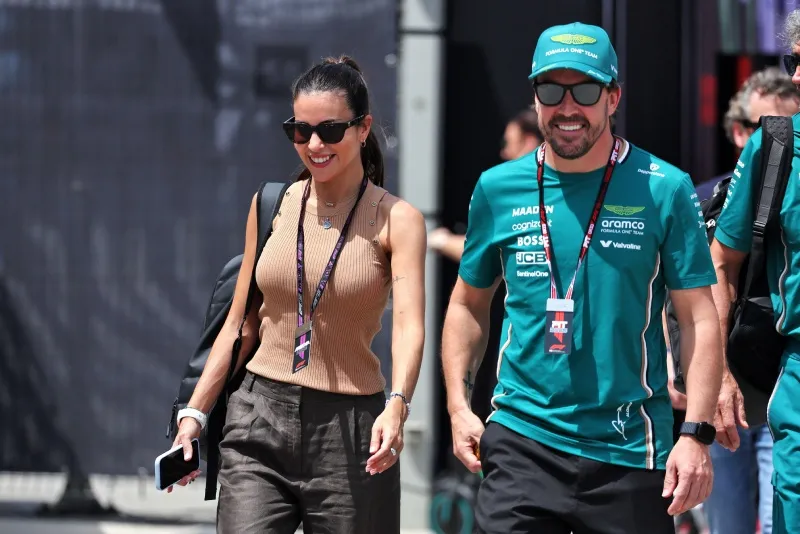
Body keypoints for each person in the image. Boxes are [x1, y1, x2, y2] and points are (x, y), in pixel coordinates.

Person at [440, 22, 724, 533]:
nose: (567, 107)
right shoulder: (497, 188)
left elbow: (699, 317)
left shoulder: (664, 188)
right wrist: (459, 407)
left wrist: (696, 434)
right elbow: (467, 304)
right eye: (551, 90)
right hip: (521, 441)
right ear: (535, 96)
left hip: (630, 448)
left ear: (614, 97)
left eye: (586, 90)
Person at [168, 55, 427, 533]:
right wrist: (194, 415)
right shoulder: (271, 204)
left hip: (349, 431)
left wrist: (398, 403)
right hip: (257, 420)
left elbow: (410, 325)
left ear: (363, 128)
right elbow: (239, 325)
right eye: (299, 130)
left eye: (330, 130)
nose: (313, 144)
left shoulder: (398, 220)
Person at [694, 67, 799, 534]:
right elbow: (719, 264)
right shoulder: (776, 148)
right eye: (793, 57)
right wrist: (714, 376)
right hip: (779, 372)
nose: (795, 73)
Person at [428, 108, 543, 263]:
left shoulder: (522, 193)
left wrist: (442, 241)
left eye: (508, 143)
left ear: (529, 143)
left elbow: (487, 253)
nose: (505, 153)